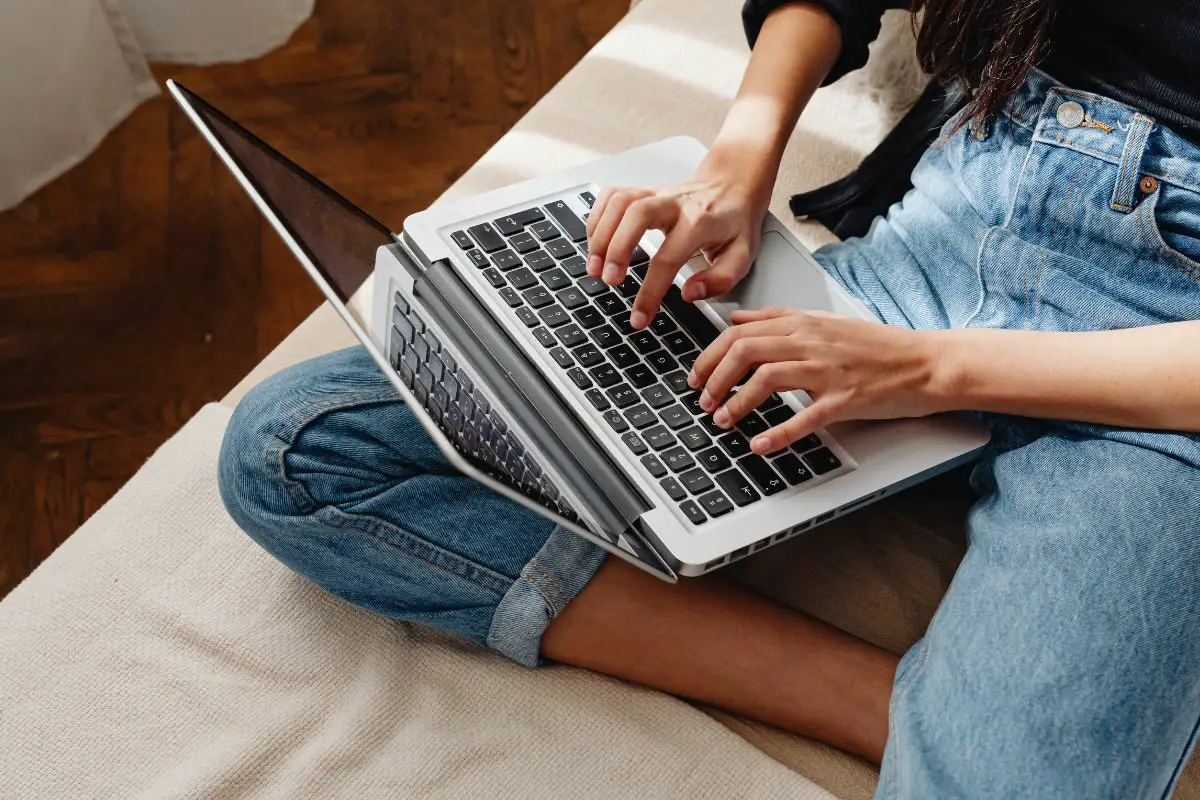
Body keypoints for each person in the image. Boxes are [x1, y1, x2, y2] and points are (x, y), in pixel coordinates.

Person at [217, 0, 1200, 796]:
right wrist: (736, 159)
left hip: (1159, 373)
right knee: (299, 450)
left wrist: (925, 372)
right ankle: (894, 709)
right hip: (952, 229)